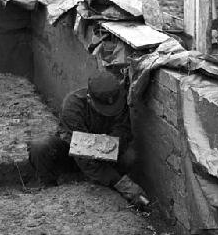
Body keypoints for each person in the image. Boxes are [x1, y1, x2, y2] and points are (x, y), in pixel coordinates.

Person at [29, 72, 148, 208]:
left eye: (114, 108)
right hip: (71, 152)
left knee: (129, 156)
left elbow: (121, 136)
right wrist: (121, 183)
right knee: (40, 146)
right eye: (105, 109)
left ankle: (102, 181)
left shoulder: (119, 100)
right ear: (89, 99)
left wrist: (106, 146)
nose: (111, 112)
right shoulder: (73, 106)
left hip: (103, 153)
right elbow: (82, 153)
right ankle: (50, 189)